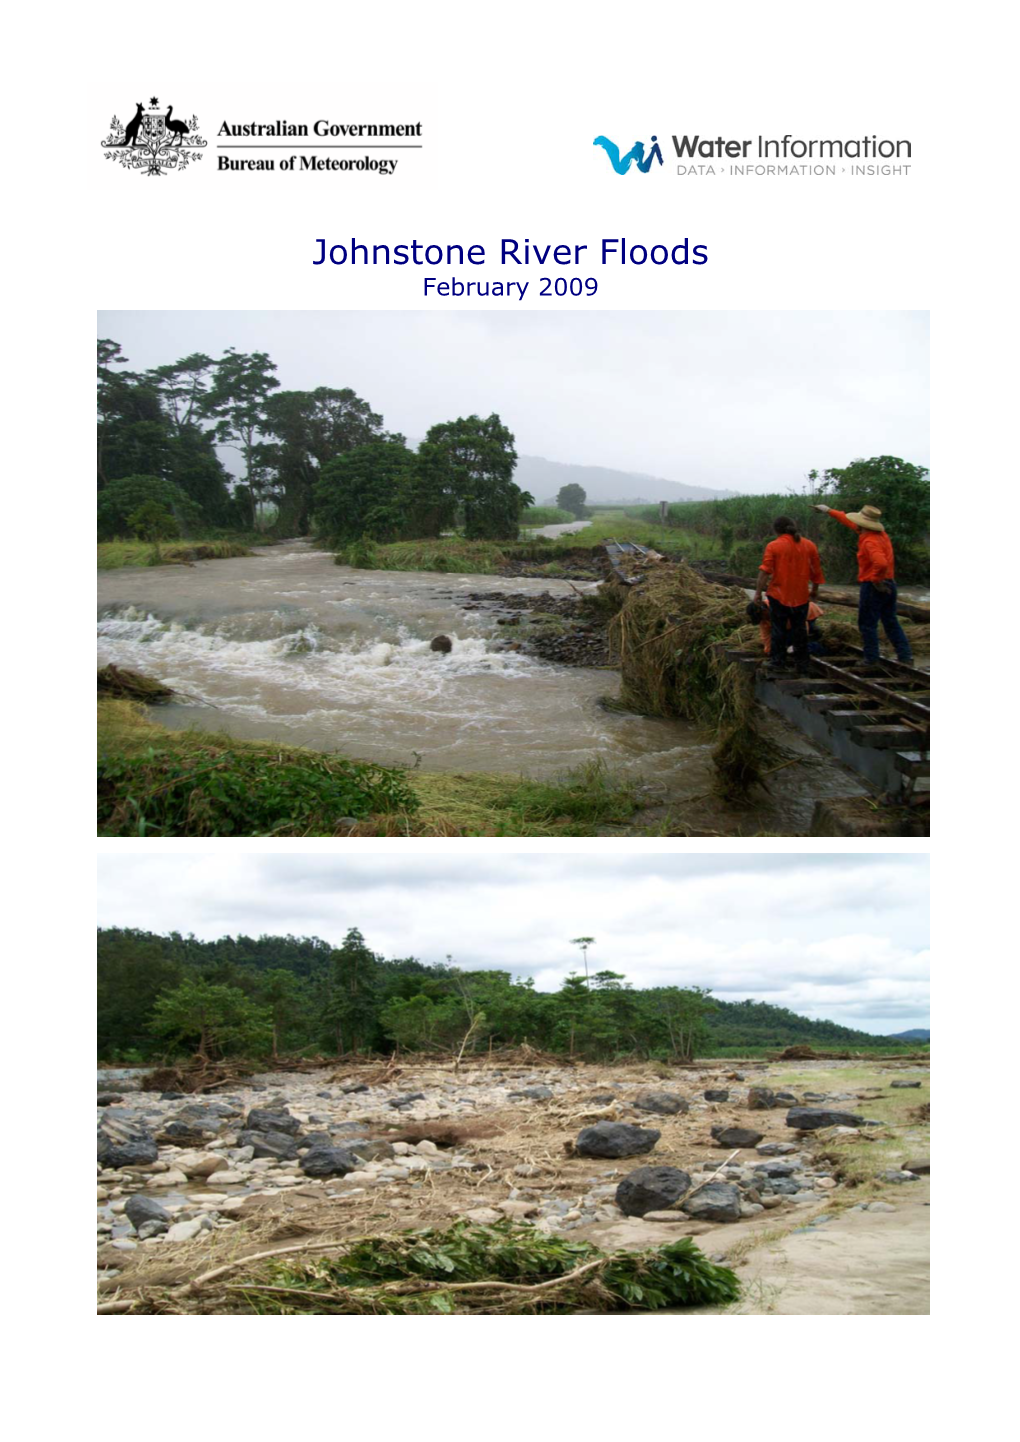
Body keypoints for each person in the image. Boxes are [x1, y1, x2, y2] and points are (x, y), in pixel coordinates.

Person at [813, 502, 913, 664]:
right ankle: (905, 655)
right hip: (890, 584)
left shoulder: (869, 542)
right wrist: (829, 511)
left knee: (867, 623)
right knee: (890, 621)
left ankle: (871, 658)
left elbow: (880, 563)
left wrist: (875, 581)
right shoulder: (880, 536)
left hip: (874, 586)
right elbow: (849, 522)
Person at [753, 517, 824, 674]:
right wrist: (814, 590)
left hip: (779, 596)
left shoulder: (774, 546)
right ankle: (802, 664)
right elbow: (816, 571)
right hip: (801, 597)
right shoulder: (809, 545)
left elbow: (765, 571)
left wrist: (758, 593)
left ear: (776, 530)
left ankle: (777, 663)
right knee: (800, 630)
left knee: (778, 630)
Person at [752, 595, 825, 657]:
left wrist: (796, 645)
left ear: (764, 611)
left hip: (807, 614)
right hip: (791, 623)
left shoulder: (780, 608)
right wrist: (769, 650)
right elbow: (766, 636)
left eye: (762, 618)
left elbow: (802, 626)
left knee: (793, 646)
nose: (762, 620)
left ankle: (822, 649)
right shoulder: (763, 619)